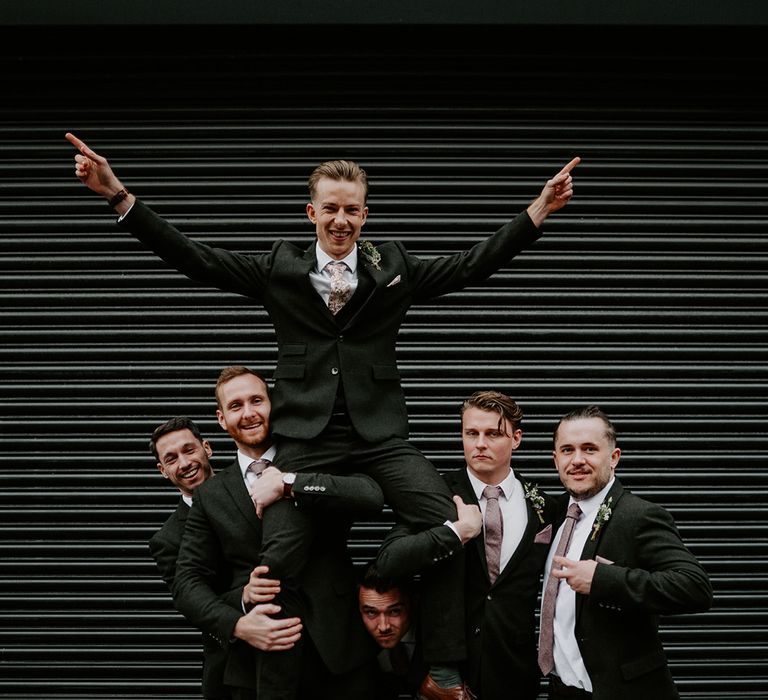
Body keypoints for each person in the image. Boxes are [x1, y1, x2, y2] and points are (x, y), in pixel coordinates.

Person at [65, 131, 580, 700]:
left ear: (366, 214)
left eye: (352, 210)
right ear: (312, 212)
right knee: (280, 551)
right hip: (305, 437)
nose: (341, 220)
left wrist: (537, 211)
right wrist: (117, 194)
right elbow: (197, 259)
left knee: (449, 522)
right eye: (330, 208)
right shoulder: (278, 266)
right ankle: (270, 673)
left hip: (381, 435)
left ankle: (444, 668)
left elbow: (468, 266)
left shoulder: (393, 266)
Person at [170, 365, 386, 699]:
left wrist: (289, 484)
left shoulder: (319, 457)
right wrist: (238, 621)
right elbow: (187, 582)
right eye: (236, 405)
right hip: (257, 666)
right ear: (221, 419)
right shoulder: (210, 496)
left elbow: (370, 495)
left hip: (341, 655)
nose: (249, 413)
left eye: (257, 400)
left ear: (274, 405)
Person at [376, 390, 563, 700]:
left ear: (516, 438)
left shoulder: (545, 506)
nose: (480, 443)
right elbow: (388, 562)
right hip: (445, 677)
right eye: (471, 433)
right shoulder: (434, 494)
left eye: (493, 434)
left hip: (514, 672)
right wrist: (455, 533)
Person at [539, 405, 714, 699]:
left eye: (590, 449)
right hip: (563, 692)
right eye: (567, 450)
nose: (577, 460)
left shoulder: (639, 516)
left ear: (614, 457)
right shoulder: (554, 515)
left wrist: (603, 580)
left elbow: (694, 586)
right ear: (556, 460)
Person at [147, 416, 227, 699]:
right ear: (162, 470)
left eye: (189, 450)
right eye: (171, 459)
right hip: (229, 667)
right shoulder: (166, 540)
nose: (184, 463)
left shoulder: (257, 491)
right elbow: (196, 606)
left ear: (207, 448)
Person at [357, 562, 428, 700]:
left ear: (413, 603)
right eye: (371, 613)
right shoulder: (351, 642)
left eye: (394, 611)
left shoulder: (436, 634)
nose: (384, 627)